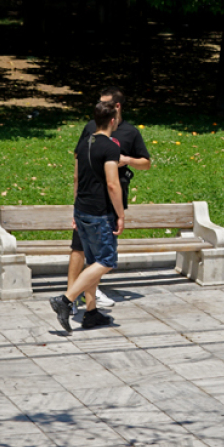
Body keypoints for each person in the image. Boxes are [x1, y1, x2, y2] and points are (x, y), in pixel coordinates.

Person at [67, 87, 151, 319]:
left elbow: (145, 163)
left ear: (117, 107)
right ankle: (69, 297)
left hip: (107, 203)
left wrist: (127, 159)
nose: (99, 108)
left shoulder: (130, 133)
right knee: (84, 250)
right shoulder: (90, 129)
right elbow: (78, 166)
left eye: (104, 104)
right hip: (91, 203)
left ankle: (90, 307)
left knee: (97, 256)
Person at [49, 101, 125, 334]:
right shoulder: (110, 147)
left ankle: (91, 313)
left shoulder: (84, 143)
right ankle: (66, 299)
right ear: (112, 120)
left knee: (93, 262)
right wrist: (120, 214)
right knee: (106, 261)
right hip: (100, 213)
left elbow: (76, 179)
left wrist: (75, 209)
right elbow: (112, 184)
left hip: (82, 210)